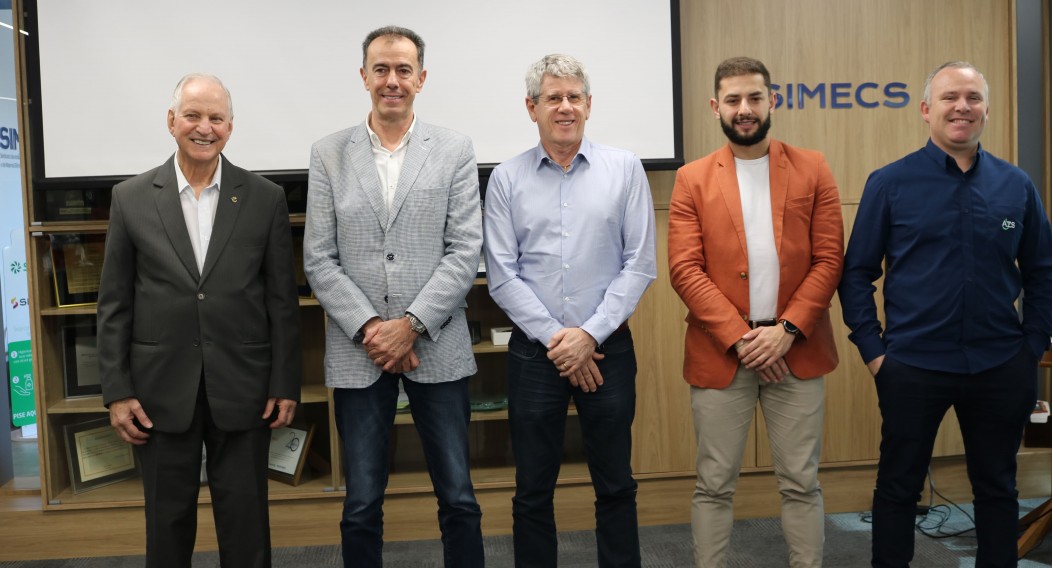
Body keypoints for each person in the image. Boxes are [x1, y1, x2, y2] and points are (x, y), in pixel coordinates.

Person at [838, 61, 1052, 568]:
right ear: (925, 110)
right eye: (949, 97)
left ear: (985, 109)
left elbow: (1044, 269)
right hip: (912, 366)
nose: (962, 107)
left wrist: (1032, 348)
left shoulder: (1016, 185)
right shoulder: (889, 183)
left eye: (973, 97)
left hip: (1000, 365)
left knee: (999, 488)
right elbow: (856, 275)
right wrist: (876, 354)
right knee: (898, 488)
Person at [97, 73, 302, 568]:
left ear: (231, 127)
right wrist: (118, 391)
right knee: (166, 527)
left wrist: (284, 383)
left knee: (246, 523)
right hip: (158, 392)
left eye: (216, 118)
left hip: (244, 387)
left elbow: (281, 301)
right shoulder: (131, 198)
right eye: (193, 115)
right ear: (172, 121)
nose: (204, 127)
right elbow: (115, 303)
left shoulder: (264, 197)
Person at [303, 26, 484, 568]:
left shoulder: (453, 149)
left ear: (421, 79)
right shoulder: (328, 154)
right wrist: (372, 330)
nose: (392, 80)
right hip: (359, 352)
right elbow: (319, 257)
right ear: (363, 77)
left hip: (437, 345)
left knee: (457, 496)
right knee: (360, 503)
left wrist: (411, 324)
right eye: (381, 69)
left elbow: (464, 250)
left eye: (404, 70)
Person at [667, 56, 844, 568]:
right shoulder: (692, 178)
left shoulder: (813, 166)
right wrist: (746, 339)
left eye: (754, 98)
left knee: (801, 482)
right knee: (714, 483)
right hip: (723, 354)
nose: (745, 110)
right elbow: (685, 270)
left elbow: (830, 258)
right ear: (715, 107)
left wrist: (786, 330)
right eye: (733, 100)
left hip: (798, 350)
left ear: (774, 100)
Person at [482, 54, 656, 568]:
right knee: (532, 490)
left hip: (608, 352)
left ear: (588, 104)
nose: (565, 107)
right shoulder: (506, 179)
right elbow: (502, 274)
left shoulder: (624, 168)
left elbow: (639, 264)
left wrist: (590, 336)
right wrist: (562, 341)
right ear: (531, 107)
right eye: (552, 98)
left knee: (616, 484)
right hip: (536, 358)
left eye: (573, 97)